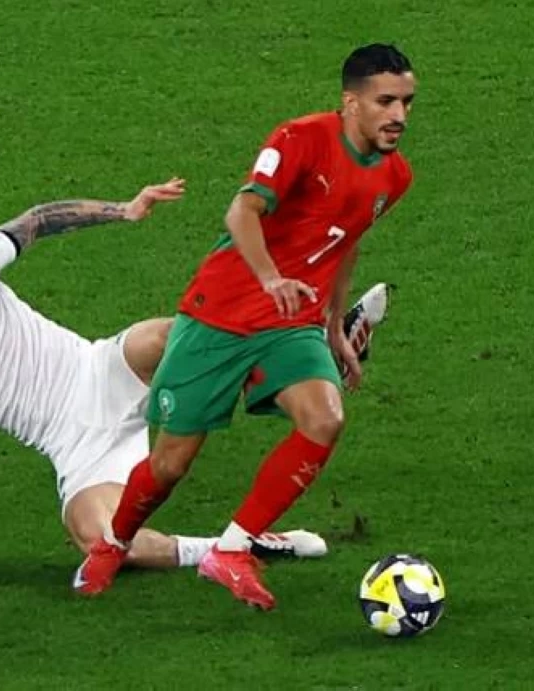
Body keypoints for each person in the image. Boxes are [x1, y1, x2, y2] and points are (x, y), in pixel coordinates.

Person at [0, 178, 334, 590]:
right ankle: (237, 546)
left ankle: (303, 354)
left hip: (99, 371)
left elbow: (37, 220)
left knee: (170, 339)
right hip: (73, 446)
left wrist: (124, 209)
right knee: (101, 539)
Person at [74, 44, 416, 610]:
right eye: (386, 102)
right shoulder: (300, 139)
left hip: (291, 322)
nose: (399, 115)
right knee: (170, 464)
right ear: (350, 102)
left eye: (406, 102)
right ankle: (114, 542)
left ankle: (230, 551)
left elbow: (346, 241)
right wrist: (270, 277)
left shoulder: (394, 176)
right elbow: (242, 211)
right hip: (221, 314)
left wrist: (334, 326)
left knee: (325, 418)